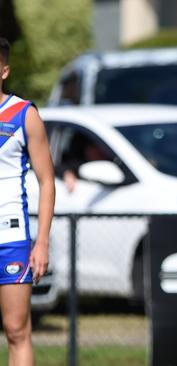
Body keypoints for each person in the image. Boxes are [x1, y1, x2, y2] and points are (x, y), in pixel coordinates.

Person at [0, 37, 55, 366]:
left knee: (16, 329)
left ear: (4, 71)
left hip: (11, 238)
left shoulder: (24, 114)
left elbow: (47, 181)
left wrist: (42, 242)